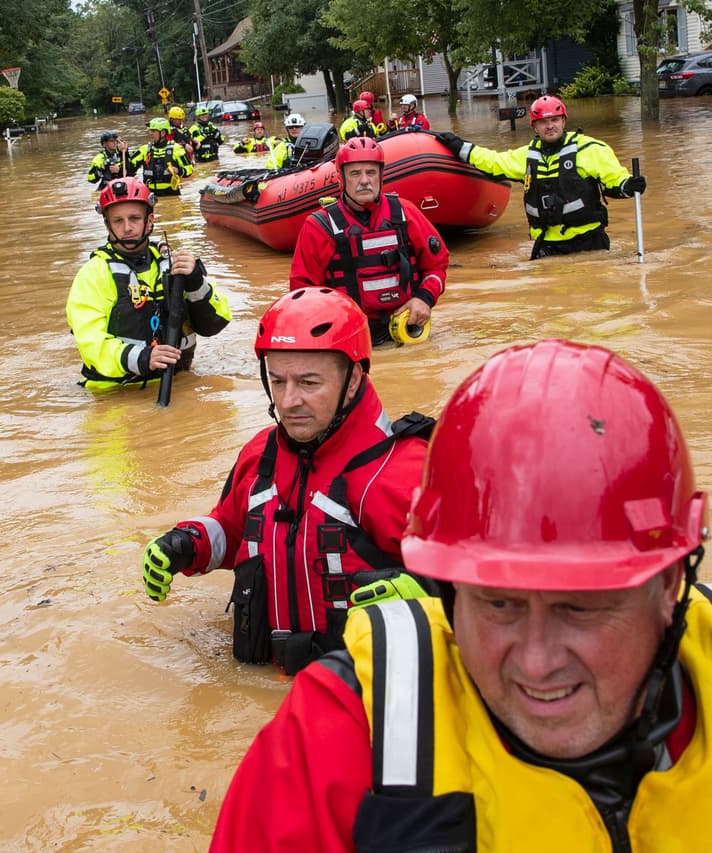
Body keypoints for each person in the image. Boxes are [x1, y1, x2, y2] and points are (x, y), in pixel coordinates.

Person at [210, 339, 710, 851]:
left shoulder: (389, 474)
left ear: (670, 586)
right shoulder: (340, 731)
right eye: (498, 603)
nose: (536, 665)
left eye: (579, 608)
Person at [141, 287, 433, 673]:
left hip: (355, 693)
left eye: (309, 383)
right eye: (278, 381)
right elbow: (232, 531)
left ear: (354, 379)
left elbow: (489, 594)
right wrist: (188, 544)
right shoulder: (259, 454)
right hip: (260, 681)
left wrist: (432, 594)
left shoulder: (405, 471)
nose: (289, 400)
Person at [66, 177, 230, 390]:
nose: (127, 228)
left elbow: (216, 322)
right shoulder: (94, 274)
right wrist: (143, 358)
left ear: (149, 220)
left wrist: (195, 282)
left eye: (134, 218)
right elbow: (91, 344)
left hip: (178, 383)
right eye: (118, 221)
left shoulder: (172, 263)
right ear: (107, 224)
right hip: (115, 393)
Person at [436, 94, 646, 259]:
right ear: (534, 126)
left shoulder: (590, 149)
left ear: (564, 121)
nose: (550, 126)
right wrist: (460, 146)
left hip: (589, 242)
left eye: (555, 120)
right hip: (547, 246)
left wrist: (627, 185)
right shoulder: (527, 156)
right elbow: (493, 162)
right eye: (543, 122)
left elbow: (614, 180)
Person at [289, 137, 448, 345]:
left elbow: (437, 265)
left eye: (371, 172)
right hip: (348, 336)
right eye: (355, 173)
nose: (365, 180)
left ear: (381, 176)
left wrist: (424, 299)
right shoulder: (319, 227)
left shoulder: (404, 213)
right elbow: (302, 293)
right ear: (341, 178)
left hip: (406, 330)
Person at [127, 117, 194, 196]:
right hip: (150, 194)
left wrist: (178, 170)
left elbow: (189, 170)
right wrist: (123, 153)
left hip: (171, 193)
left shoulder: (176, 149)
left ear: (163, 133)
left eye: (154, 131)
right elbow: (129, 167)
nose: (150, 133)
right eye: (150, 130)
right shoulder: (144, 150)